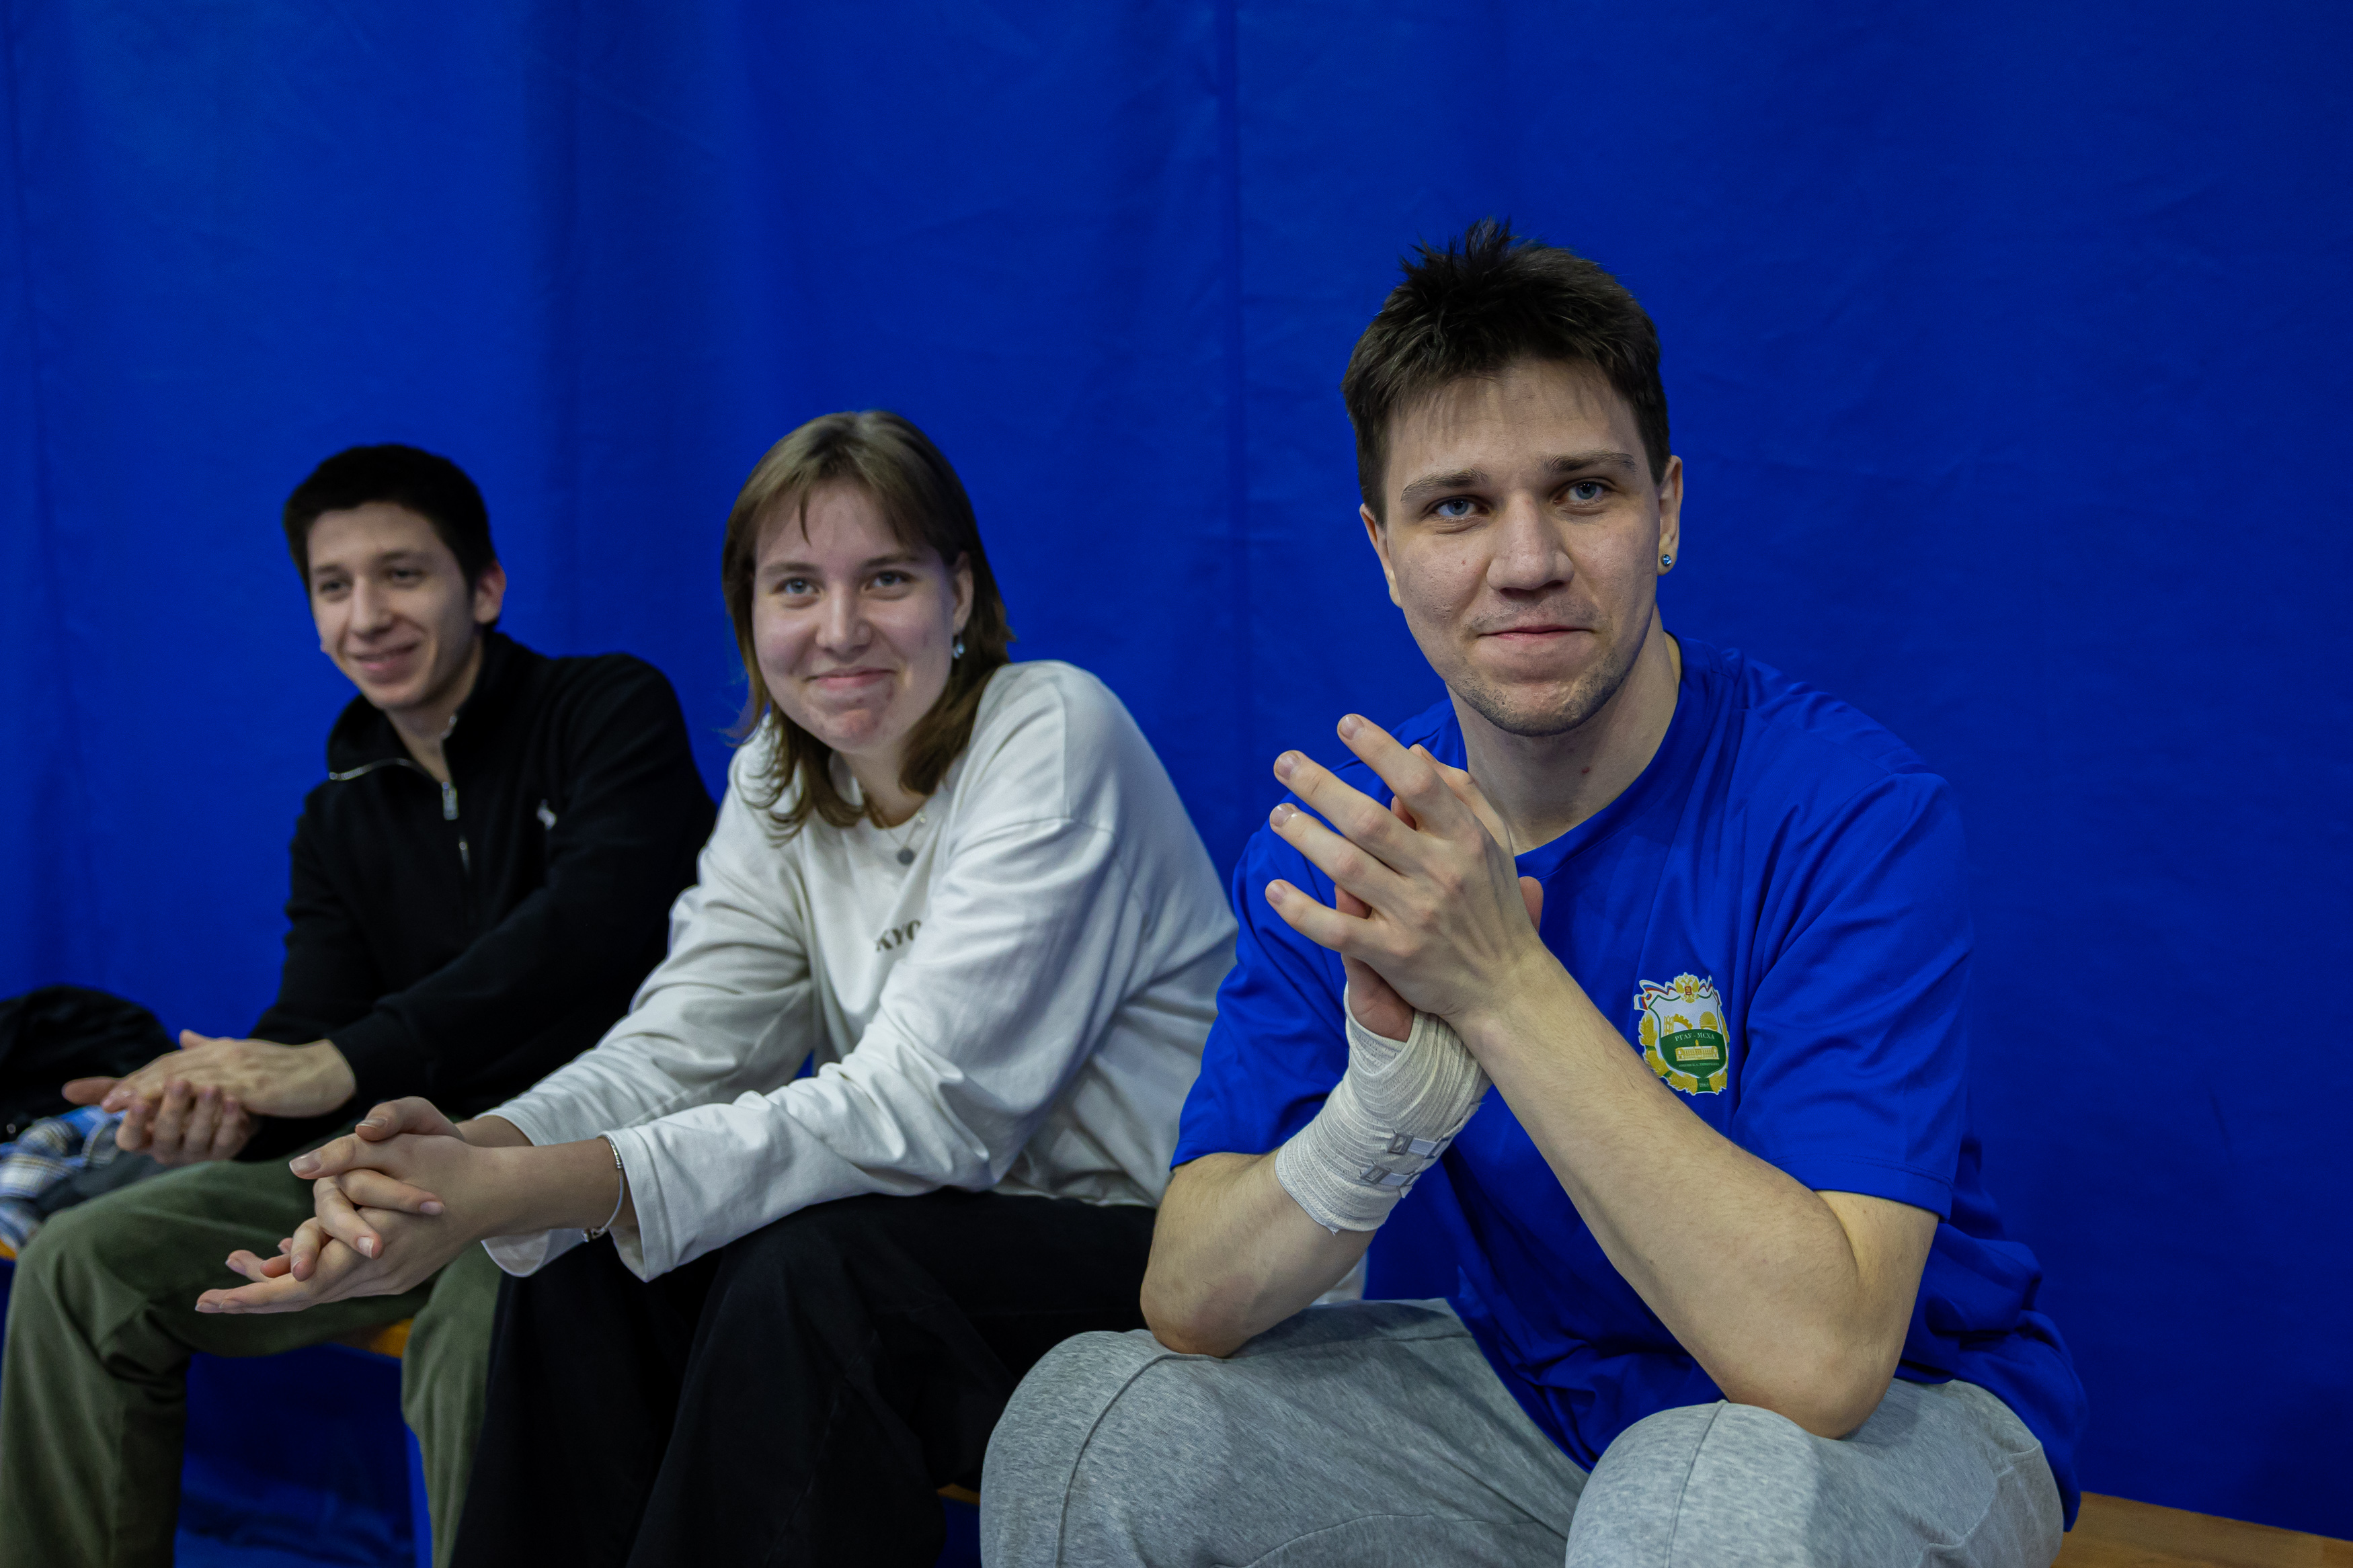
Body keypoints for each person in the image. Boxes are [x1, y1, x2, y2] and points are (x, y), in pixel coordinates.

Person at [982, 222, 2090, 1567]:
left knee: (1696, 1501)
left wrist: (1503, 987)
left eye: (1582, 491)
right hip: (1539, 1400)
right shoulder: (1353, 849)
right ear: (1383, 550)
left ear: (1666, 510)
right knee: (1096, 1425)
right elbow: (1190, 1294)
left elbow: (1820, 1360)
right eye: (1456, 507)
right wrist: (1376, 1121)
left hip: (1903, 1413)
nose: (1526, 561)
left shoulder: (1847, 812)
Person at [195, 411, 1239, 1567]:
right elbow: (680, 1048)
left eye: (886, 578)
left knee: (817, 1273)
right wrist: (469, 1157)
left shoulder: (1053, 729)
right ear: (750, 616)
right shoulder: (777, 779)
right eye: (795, 586)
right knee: (592, 1259)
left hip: (1170, 1252)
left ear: (961, 592)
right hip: (954, 1236)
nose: (838, 628)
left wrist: (524, 1186)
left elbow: (930, 1109)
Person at [0, 444, 715, 1568]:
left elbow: (586, 934)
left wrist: (332, 1065)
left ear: (485, 587)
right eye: (334, 586)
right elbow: (313, 1028)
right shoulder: (337, 814)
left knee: (483, 1327)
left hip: (592, 1164)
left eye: (403, 574)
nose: (367, 614)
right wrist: (224, 1106)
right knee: (79, 1261)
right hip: (393, 1162)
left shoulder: (608, 709)